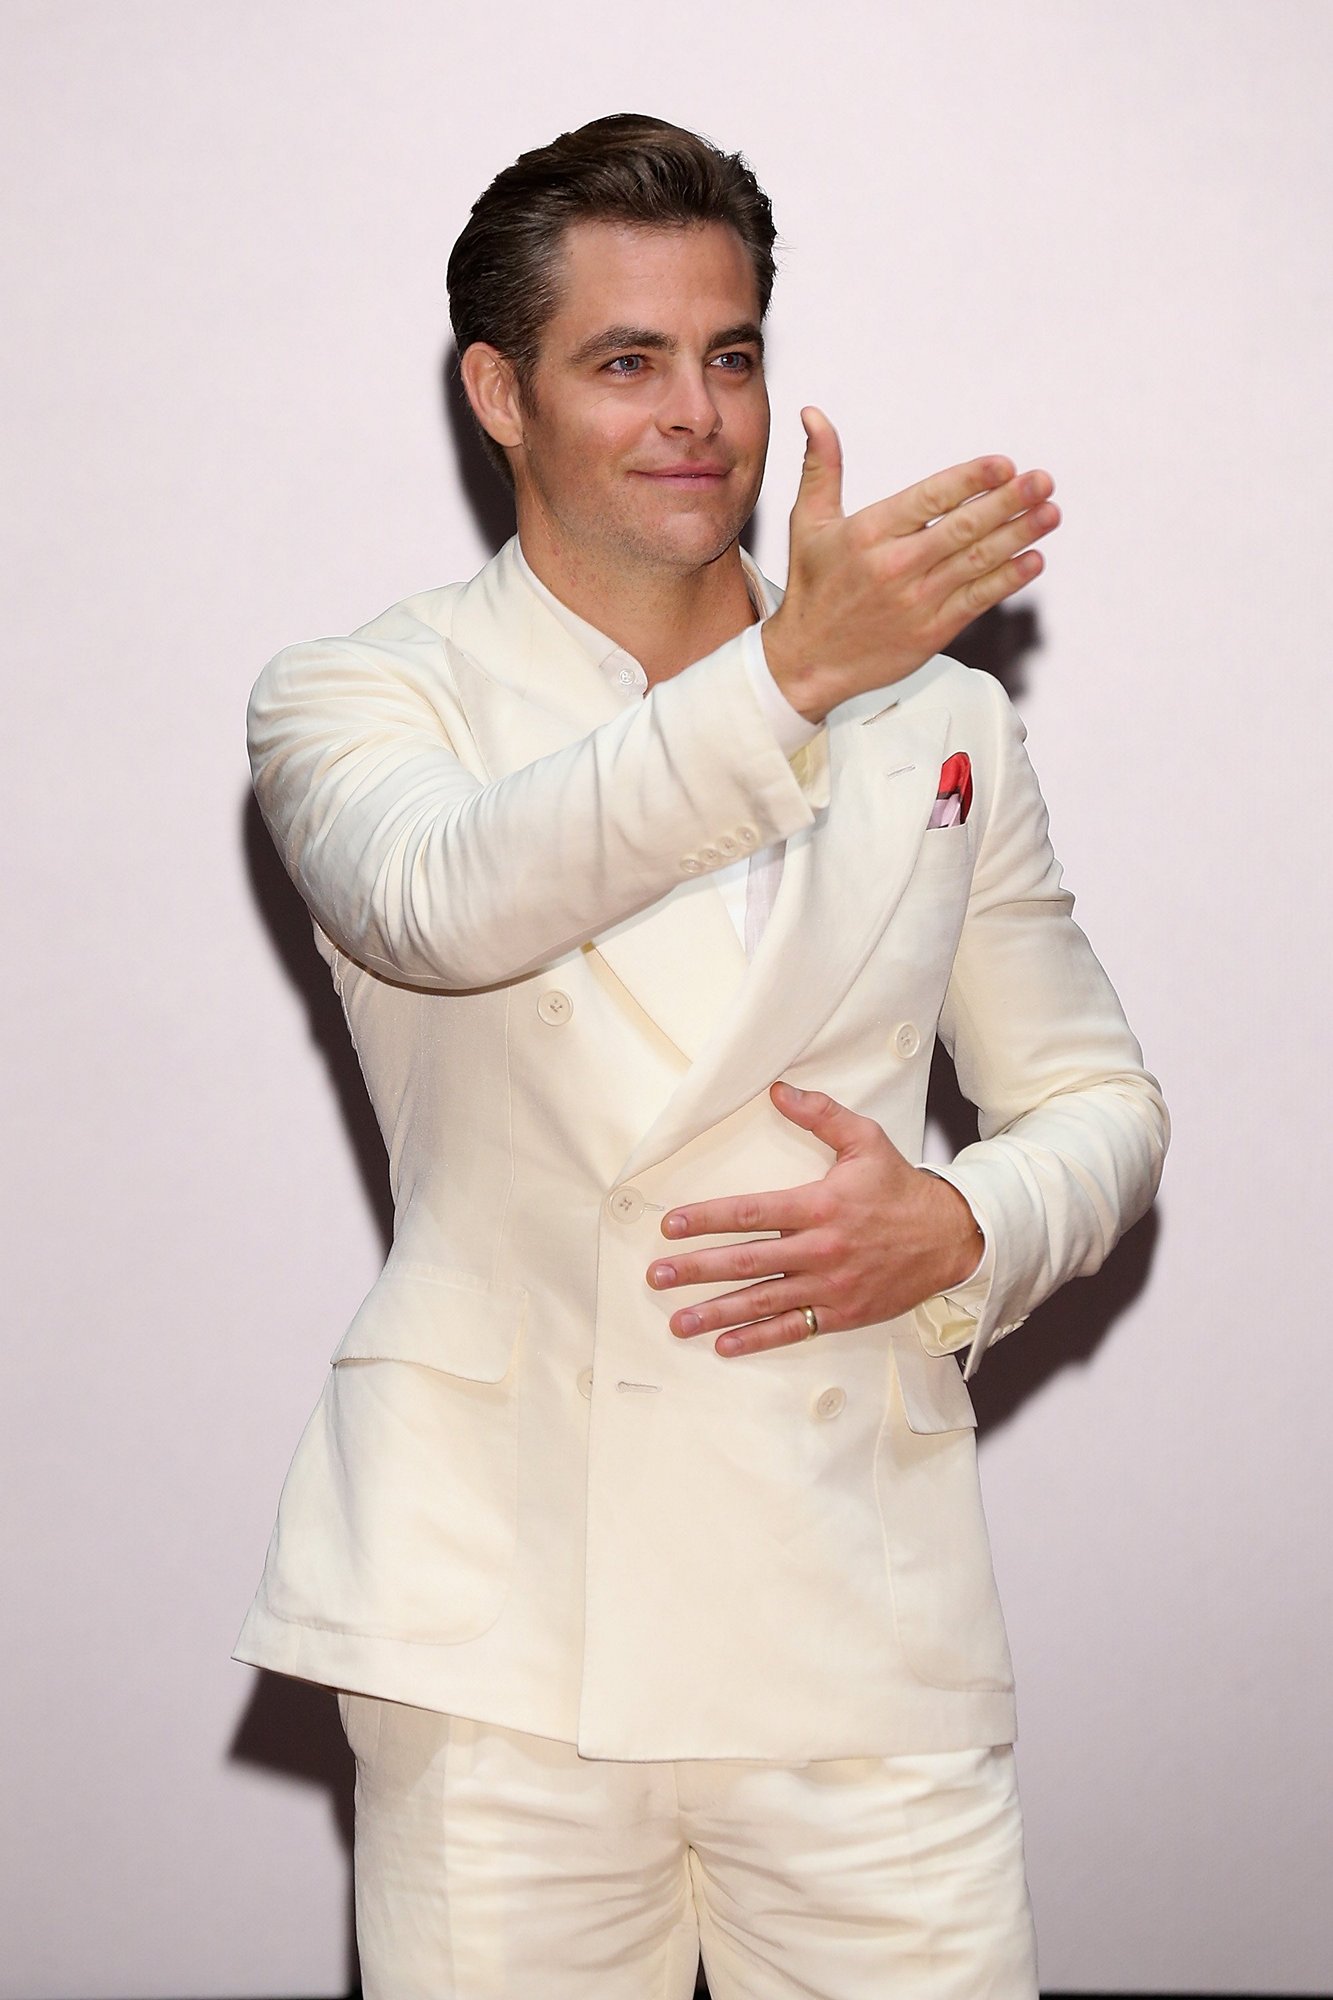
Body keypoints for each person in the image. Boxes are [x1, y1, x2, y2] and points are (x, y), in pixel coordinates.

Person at [237, 113, 1168, 1999]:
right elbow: (446, 900)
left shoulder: (938, 722)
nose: (695, 415)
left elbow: (1099, 1101)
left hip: (851, 1607)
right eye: (625, 361)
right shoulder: (358, 694)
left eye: (729, 355)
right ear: (498, 394)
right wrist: (787, 679)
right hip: (493, 1624)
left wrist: (967, 1229)